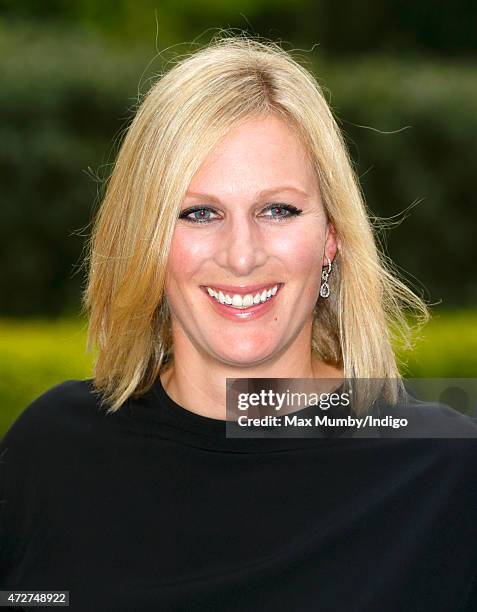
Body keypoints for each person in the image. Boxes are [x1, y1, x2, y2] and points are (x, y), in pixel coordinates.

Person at [1, 35, 476, 611]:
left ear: (330, 236)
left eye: (278, 210)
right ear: (146, 243)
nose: (242, 255)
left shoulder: (446, 472)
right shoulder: (50, 455)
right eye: (200, 213)